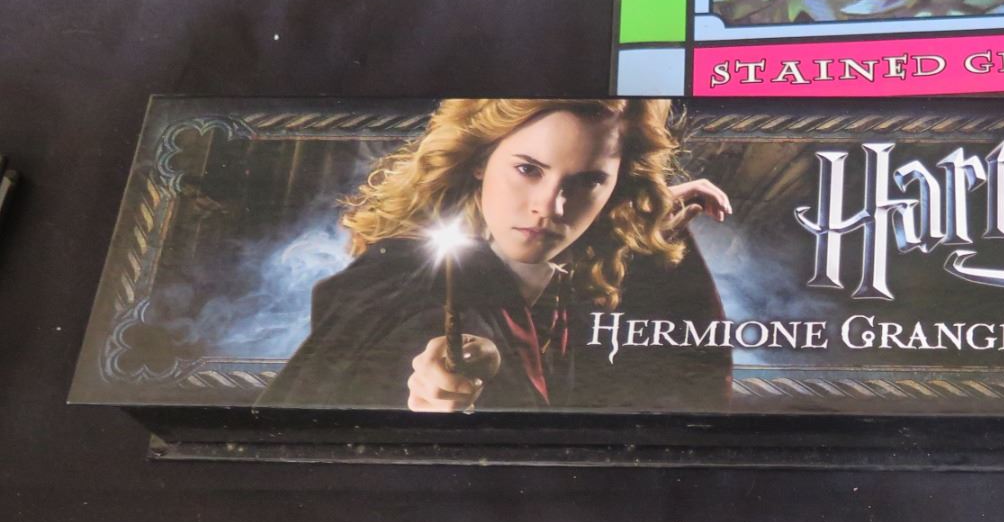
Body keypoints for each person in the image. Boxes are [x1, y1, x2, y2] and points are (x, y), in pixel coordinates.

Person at [261, 99, 734, 414]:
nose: (549, 208)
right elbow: (423, 336)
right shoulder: (402, 277)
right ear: (481, 160)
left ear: (616, 188)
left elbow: (685, 390)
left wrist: (643, 230)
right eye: (528, 169)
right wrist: (444, 376)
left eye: (588, 180)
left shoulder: (571, 277)